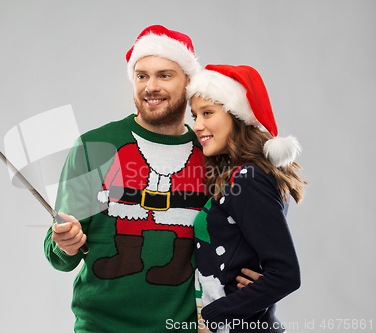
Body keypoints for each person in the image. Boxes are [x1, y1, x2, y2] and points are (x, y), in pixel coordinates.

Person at [44, 25, 260, 332]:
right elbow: (59, 255)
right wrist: (65, 243)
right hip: (101, 326)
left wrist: (262, 276)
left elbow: (246, 234)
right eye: (142, 75)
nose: (151, 86)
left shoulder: (215, 154)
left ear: (189, 83)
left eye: (164, 75)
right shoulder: (93, 148)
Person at [186, 64, 306, 332]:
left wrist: (212, 315)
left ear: (236, 115)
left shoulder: (248, 177)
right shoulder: (236, 174)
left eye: (207, 113)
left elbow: (285, 275)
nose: (197, 125)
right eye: (194, 115)